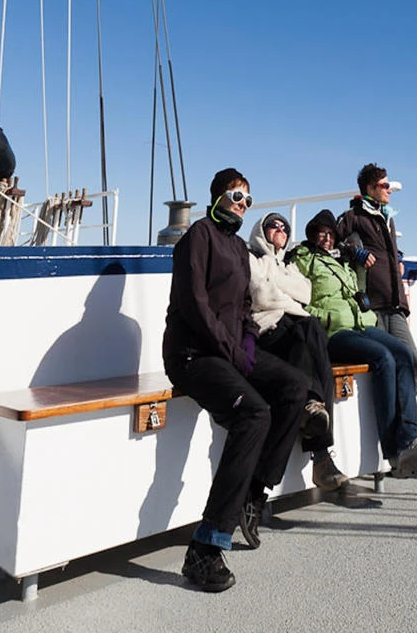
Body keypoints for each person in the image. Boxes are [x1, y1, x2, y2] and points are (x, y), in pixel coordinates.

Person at [163, 169, 310, 592]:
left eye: (248, 199)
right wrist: (231, 351)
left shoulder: (235, 246)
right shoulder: (200, 236)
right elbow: (194, 303)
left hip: (228, 351)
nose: (243, 204)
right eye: (236, 196)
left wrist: (247, 342)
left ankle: (254, 492)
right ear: (217, 196)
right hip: (192, 355)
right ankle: (205, 547)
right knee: (255, 415)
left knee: (293, 386)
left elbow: (245, 307)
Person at [294, 208, 417, 478]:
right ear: (312, 236)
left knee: (402, 353)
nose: (326, 238)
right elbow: (298, 300)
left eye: (330, 234)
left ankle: (412, 438)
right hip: (334, 333)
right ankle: (394, 452)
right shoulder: (304, 260)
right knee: (383, 358)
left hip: (361, 324)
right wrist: (323, 317)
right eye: (320, 234)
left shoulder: (343, 261)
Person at [247, 211, 351, 491]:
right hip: (264, 330)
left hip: (290, 325)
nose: (279, 229)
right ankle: (321, 456)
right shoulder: (251, 258)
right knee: (307, 333)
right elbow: (260, 295)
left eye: (284, 226)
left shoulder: (287, 265)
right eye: (273, 225)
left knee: (312, 334)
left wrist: (278, 288)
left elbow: (305, 292)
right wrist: (285, 294)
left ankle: (313, 410)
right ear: (261, 230)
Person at [336, 163, 417, 363]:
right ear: (370, 188)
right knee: (385, 361)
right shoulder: (353, 216)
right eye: (384, 185)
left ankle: (403, 396)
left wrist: (397, 256)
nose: (389, 190)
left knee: (411, 360)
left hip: (395, 303)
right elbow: (333, 243)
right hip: (373, 306)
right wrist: (356, 253)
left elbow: (385, 248)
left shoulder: (387, 217)